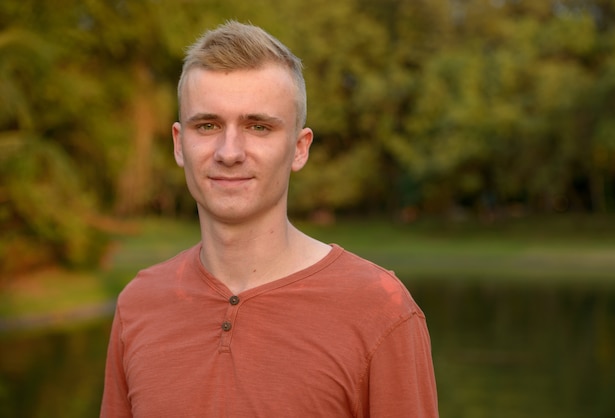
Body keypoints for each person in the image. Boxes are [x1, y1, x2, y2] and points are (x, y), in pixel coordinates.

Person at [100, 20, 438, 418]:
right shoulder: (139, 304)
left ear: (299, 148)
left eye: (258, 127)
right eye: (207, 125)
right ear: (179, 143)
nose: (229, 152)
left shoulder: (381, 309)